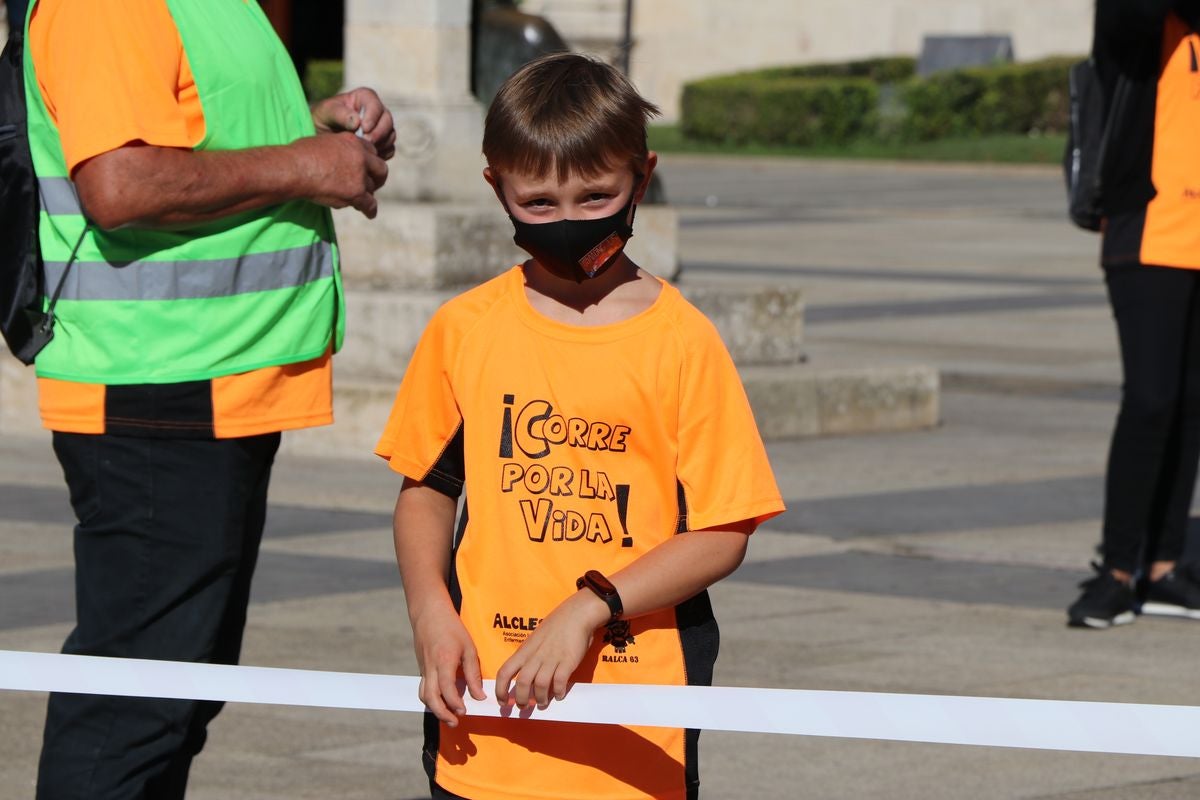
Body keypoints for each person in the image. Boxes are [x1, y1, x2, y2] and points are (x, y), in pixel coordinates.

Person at [375, 52, 785, 800]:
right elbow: (426, 491)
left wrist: (589, 606)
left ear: (643, 175)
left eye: (597, 196)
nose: (567, 223)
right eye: (537, 204)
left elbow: (725, 529)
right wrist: (431, 613)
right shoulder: (463, 329)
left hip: (635, 718)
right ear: (497, 186)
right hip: (484, 710)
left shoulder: (683, 341)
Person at [22, 1, 396, 797]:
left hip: (202, 381)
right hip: (159, 385)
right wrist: (304, 164)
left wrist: (311, 123)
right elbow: (119, 183)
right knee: (135, 708)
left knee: (174, 694)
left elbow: (193, 123)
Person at [1068, 0, 1200, 628]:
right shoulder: (1143, 16)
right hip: (1149, 229)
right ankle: (1117, 570)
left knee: (1191, 400)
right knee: (1149, 399)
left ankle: (1164, 567)